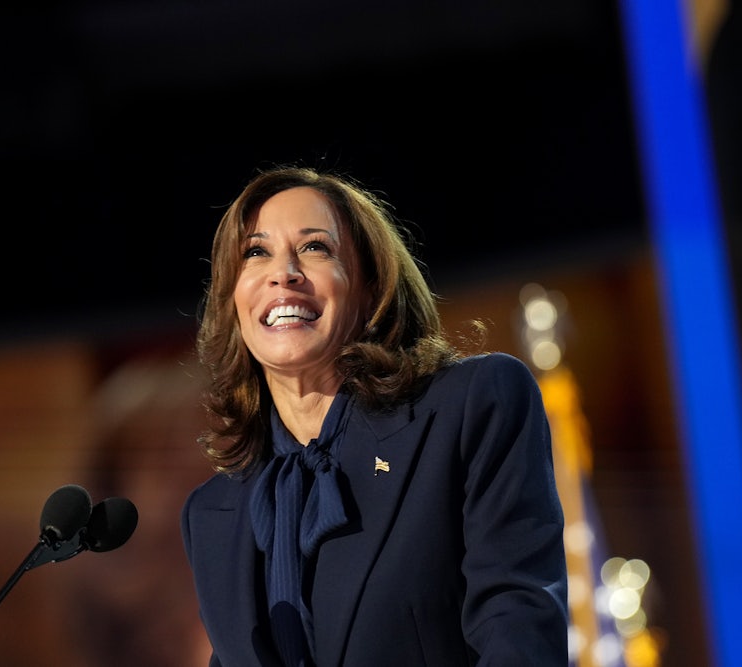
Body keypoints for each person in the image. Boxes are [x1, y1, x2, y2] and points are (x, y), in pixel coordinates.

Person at [181, 165, 569, 666]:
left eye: (315, 247)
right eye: (256, 253)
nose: (284, 272)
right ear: (233, 301)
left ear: (370, 287)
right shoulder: (214, 513)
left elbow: (518, 628)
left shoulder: (471, 406)